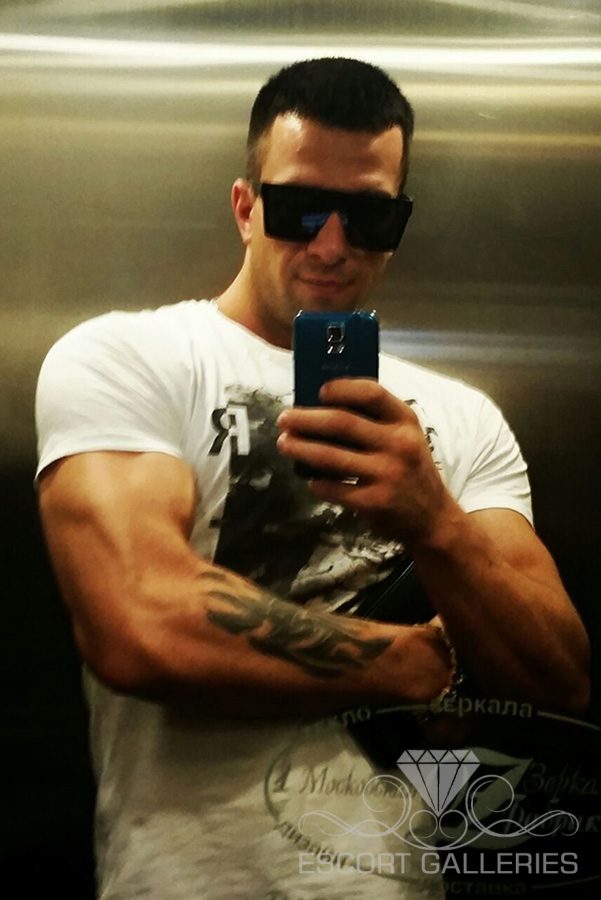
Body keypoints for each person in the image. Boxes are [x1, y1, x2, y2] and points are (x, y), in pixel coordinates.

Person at [35, 57, 589, 900]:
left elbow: (556, 679)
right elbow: (141, 623)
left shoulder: (463, 417)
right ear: (245, 208)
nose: (332, 246)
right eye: (300, 209)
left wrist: (433, 522)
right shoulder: (130, 358)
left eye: (368, 216)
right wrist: (420, 665)